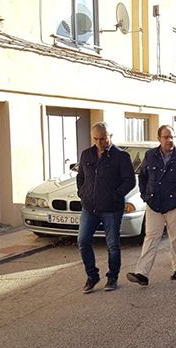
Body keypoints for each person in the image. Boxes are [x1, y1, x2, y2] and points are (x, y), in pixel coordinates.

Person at [127, 125, 176, 286]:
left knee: (175, 237)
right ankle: (142, 273)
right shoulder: (150, 155)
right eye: (166, 137)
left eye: (172, 137)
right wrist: (145, 196)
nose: (169, 140)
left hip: (175, 205)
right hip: (154, 204)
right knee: (151, 238)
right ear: (159, 139)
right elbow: (143, 176)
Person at [77, 122, 135, 293]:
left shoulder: (121, 156)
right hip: (90, 207)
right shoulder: (86, 154)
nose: (99, 142)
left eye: (103, 138)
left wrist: (115, 195)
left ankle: (112, 277)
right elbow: (81, 177)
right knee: (83, 241)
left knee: (112, 245)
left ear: (110, 136)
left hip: (111, 208)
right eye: (95, 139)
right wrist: (82, 193)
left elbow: (130, 181)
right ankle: (92, 276)